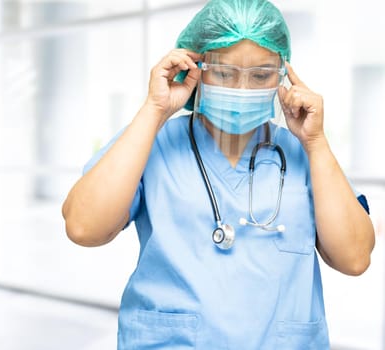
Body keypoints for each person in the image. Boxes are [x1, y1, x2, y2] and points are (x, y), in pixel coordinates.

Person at [61, 0, 375, 348]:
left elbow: (355, 258)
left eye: (260, 75)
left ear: (283, 76)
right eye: (224, 73)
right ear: (196, 67)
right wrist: (155, 109)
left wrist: (315, 142)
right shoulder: (152, 141)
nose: (242, 89)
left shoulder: (306, 153)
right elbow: (84, 227)